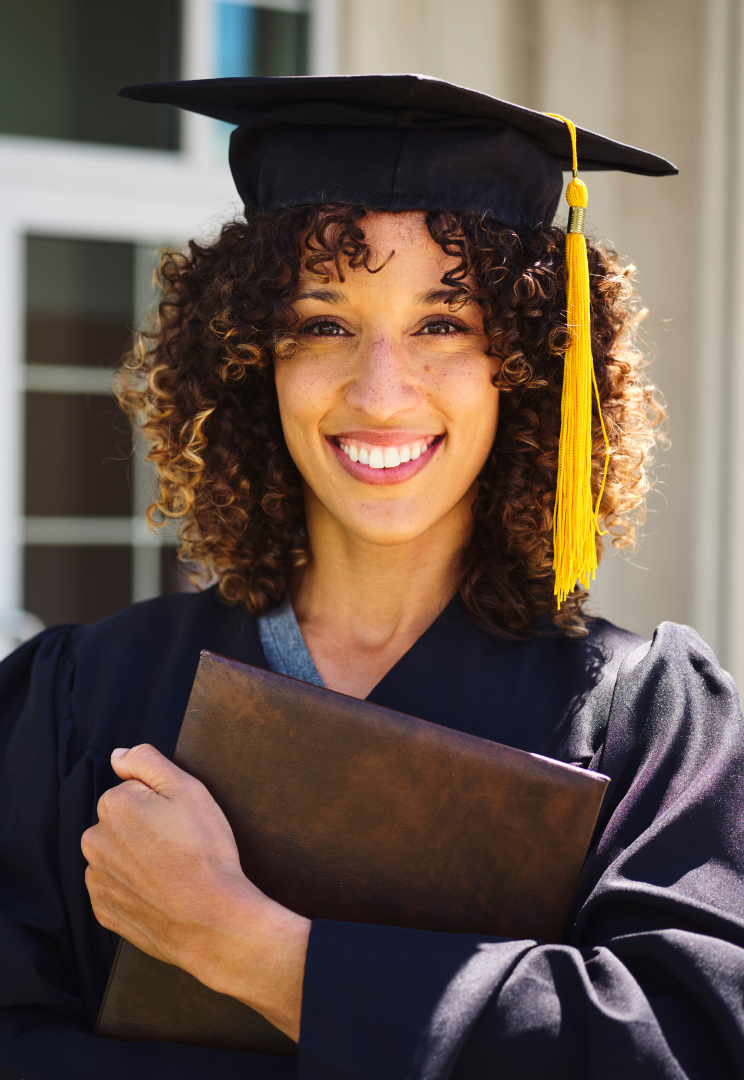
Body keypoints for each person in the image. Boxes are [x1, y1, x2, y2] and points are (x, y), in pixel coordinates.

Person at [1, 74, 743, 1080]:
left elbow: (685, 1043)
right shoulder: (83, 695)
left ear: (526, 362)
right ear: (249, 355)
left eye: (445, 324)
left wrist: (255, 951)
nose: (381, 392)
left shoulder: (649, 723)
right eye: (324, 322)